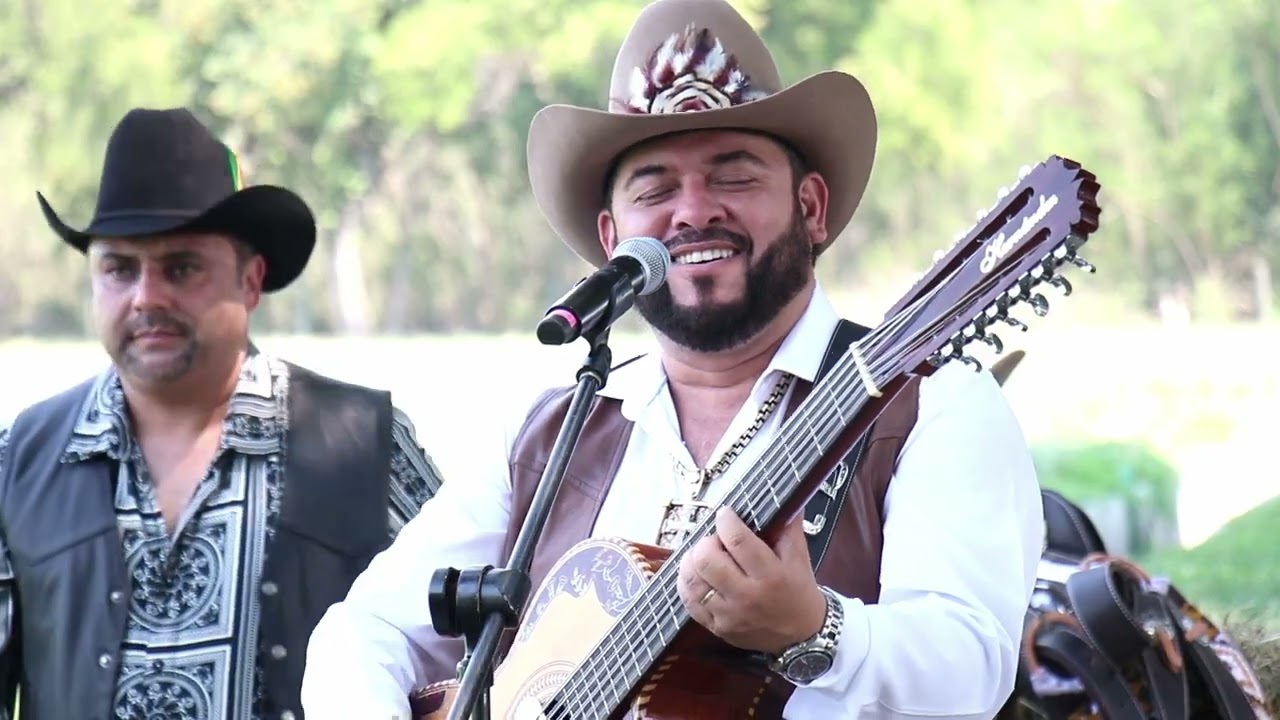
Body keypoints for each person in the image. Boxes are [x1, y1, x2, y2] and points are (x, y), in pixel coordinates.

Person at [300, 0, 1045, 717]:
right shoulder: (552, 436)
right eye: (655, 187)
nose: (693, 210)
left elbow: (973, 668)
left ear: (810, 208)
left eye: (734, 174)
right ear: (610, 237)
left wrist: (814, 631)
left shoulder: (926, 404)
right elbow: (364, 633)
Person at [0, 107, 446, 720]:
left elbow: (469, 654)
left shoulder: (367, 447)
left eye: (181, 267)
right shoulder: (20, 459)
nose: (146, 295)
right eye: (119, 269)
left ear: (251, 281)